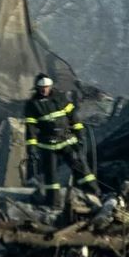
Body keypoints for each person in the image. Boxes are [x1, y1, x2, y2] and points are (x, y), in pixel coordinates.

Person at [23, 74, 97, 206]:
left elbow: (74, 117)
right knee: (51, 176)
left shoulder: (61, 98)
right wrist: (31, 148)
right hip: (47, 145)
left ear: (50, 86)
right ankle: (53, 203)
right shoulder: (32, 105)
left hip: (67, 141)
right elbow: (31, 128)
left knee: (82, 169)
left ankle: (93, 195)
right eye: (41, 88)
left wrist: (80, 136)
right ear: (37, 88)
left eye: (46, 87)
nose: (44, 90)